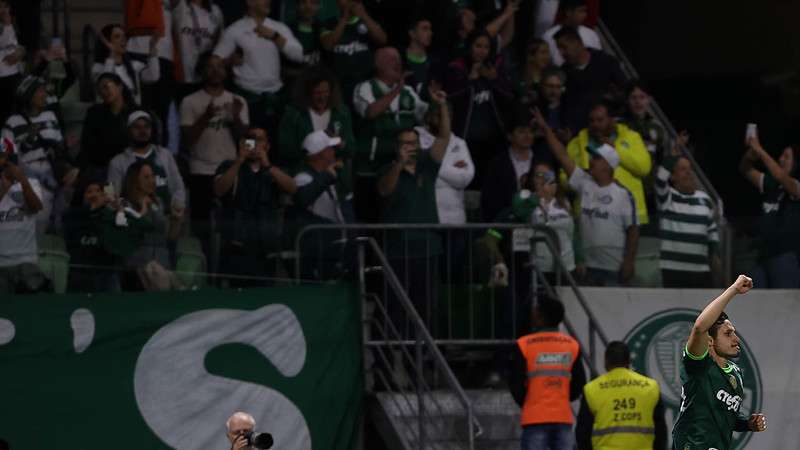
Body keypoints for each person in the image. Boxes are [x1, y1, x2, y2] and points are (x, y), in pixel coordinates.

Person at [535, 107, 639, 286]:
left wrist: (629, 262)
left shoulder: (623, 194)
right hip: (584, 266)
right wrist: (546, 130)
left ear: (608, 165)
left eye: (596, 158)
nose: (590, 161)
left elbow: (633, 230)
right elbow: (562, 155)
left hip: (613, 268)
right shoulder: (584, 182)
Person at [376, 88, 449, 327]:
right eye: (405, 144)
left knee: (427, 306)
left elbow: (444, 138)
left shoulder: (427, 164)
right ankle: (392, 353)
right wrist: (399, 163)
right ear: (397, 147)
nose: (410, 147)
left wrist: (442, 105)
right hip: (398, 249)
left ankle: (425, 357)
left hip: (427, 247)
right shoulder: (386, 169)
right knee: (395, 307)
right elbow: (385, 191)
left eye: (413, 143)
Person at [672, 275, 767, 450]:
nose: (736, 339)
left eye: (734, 333)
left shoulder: (736, 372)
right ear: (709, 340)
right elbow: (700, 326)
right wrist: (734, 289)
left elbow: (727, 416)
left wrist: (748, 424)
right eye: (728, 334)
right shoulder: (698, 365)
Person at [352, 47, 428, 221]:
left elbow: (425, 115)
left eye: (398, 58)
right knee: (370, 221)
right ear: (378, 64)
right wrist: (396, 90)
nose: (398, 62)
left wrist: (435, 102)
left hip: (401, 167)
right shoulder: (365, 88)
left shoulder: (408, 92)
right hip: (370, 170)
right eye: (391, 59)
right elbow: (370, 112)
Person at [214, 127, 296, 286]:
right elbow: (219, 189)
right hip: (236, 247)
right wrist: (239, 160)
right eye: (251, 139)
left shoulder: (273, 170)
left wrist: (268, 166)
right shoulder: (228, 165)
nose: (255, 144)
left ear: (267, 146)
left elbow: (292, 188)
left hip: (266, 248)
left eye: (260, 139)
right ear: (242, 143)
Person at [180, 53, 248, 241]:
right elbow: (187, 141)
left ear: (226, 72)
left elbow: (247, 140)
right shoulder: (189, 101)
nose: (216, 70)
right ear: (202, 71)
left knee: (230, 227)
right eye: (210, 66)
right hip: (200, 169)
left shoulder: (238, 101)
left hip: (229, 169)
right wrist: (205, 117)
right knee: (200, 227)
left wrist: (236, 118)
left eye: (220, 66)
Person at [509, 295, 586, 450]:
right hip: (563, 418)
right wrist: (563, 398)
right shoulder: (572, 345)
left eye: (536, 311)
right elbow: (579, 383)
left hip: (534, 418)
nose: (533, 314)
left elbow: (515, 384)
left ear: (541, 317)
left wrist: (529, 402)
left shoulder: (524, 345)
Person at [213, 0, 303, 132]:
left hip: (275, 101)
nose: (268, 2)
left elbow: (298, 55)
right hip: (249, 103)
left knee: (273, 145)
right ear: (249, 2)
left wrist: (275, 36)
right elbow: (214, 62)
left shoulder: (278, 28)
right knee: (251, 145)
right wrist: (229, 61)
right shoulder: (235, 30)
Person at [565, 101, 651, 226]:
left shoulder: (631, 137)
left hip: (628, 214)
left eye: (600, 120)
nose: (595, 124)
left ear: (611, 120)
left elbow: (644, 168)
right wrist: (581, 177)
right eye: (591, 120)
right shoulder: (576, 143)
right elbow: (564, 177)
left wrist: (616, 150)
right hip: (591, 214)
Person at [444, 30, 512, 187]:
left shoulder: (494, 69)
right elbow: (450, 96)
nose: (482, 51)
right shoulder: (456, 68)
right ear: (469, 47)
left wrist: (494, 79)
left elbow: (509, 97)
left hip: (493, 142)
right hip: (465, 141)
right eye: (478, 46)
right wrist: (470, 79)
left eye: (486, 47)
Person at [2, 76, 70, 232]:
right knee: (39, 216)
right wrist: (27, 138)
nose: (44, 94)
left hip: (51, 171)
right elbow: (6, 155)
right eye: (39, 91)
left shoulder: (50, 117)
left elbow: (59, 146)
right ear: (28, 95)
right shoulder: (12, 122)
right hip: (26, 174)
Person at [575, 341, 667, 450]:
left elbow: (583, 433)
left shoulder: (592, 389)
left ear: (606, 361)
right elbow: (660, 431)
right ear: (628, 361)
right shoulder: (650, 387)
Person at [289, 130, 352, 279]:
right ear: (320, 154)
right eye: (329, 149)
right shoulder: (303, 177)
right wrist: (327, 177)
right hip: (316, 250)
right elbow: (303, 199)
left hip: (333, 246)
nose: (333, 152)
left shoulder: (330, 176)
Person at [739, 135, 800, 289]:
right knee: (759, 302)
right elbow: (745, 169)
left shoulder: (795, 186)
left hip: (784, 256)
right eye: (781, 156)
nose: (781, 159)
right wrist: (750, 155)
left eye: (787, 157)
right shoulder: (771, 185)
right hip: (761, 255)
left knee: (784, 304)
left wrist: (759, 149)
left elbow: (780, 176)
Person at [656, 141, 718, 288]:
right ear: (673, 176)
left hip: (701, 271)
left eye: (690, 169)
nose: (689, 172)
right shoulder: (667, 198)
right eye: (683, 169)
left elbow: (713, 239)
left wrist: (716, 268)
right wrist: (673, 155)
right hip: (672, 270)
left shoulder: (705, 199)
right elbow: (660, 178)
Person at [116, 160, 182, 290]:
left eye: (153, 176)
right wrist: (143, 208)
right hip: (137, 269)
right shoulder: (124, 205)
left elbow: (170, 238)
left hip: (162, 266)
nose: (152, 180)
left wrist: (176, 221)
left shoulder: (159, 202)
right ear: (134, 180)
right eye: (146, 177)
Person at [480, 111, 555, 223]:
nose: (527, 136)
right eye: (521, 132)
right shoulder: (497, 164)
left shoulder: (543, 160)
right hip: (505, 225)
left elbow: (552, 187)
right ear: (510, 136)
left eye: (530, 132)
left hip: (540, 221)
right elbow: (489, 199)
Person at [279, 67, 356, 174]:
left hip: (337, 177)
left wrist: (339, 142)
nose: (322, 97)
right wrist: (312, 151)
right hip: (305, 174)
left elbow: (351, 148)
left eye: (326, 92)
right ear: (307, 93)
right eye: (317, 93)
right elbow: (286, 150)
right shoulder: (294, 114)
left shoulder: (341, 112)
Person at [108, 110, 187, 214]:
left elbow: (178, 185)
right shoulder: (117, 162)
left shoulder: (165, 154)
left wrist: (178, 204)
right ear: (128, 131)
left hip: (168, 217)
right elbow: (109, 193)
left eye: (146, 127)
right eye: (137, 127)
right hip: (135, 221)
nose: (143, 131)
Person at [555, 26, 625, 130]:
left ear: (577, 43)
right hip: (579, 134)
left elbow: (624, 92)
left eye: (564, 47)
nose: (561, 53)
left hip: (608, 130)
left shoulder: (606, 62)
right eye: (558, 49)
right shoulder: (563, 73)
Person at [415, 102, 474, 225]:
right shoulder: (415, 139)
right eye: (439, 115)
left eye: (448, 116)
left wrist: (432, 166)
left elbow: (464, 179)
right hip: (427, 219)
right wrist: (451, 168)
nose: (444, 119)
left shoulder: (459, 143)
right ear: (428, 117)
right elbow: (418, 176)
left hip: (456, 220)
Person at [320, 0, 388, 102]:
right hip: (339, 85)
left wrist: (364, 16)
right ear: (338, 2)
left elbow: (382, 39)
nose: (349, 3)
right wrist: (344, 19)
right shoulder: (329, 23)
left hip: (366, 83)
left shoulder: (367, 21)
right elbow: (328, 44)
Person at [62, 176, 120, 293]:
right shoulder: (72, 215)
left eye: (98, 191)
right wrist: (93, 211)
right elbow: (72, 239)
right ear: (81, 195)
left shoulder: (110, 216)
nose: (94, 195)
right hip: (80, 274)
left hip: (107, 274)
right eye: (89, 191)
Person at [78, 73, 138, 178]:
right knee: (108, 190)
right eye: (100, 89)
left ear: (120, 87)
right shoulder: (95, 113)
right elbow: (87, 144)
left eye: (106, 86)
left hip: (131, 167)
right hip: (104, 168)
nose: (103, 92)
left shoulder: (136, 113)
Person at [0, 156, 45, 294]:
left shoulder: (31, 183)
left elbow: (35, 207)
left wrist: (22, 180)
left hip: (26, 260)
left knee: (31, 310)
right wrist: (5, 188)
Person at [92, 24, 160, 106]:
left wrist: (152, 46)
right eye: (117, 37)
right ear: (107, 42)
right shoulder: (98, 67)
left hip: (132, 113)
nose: (123, 39)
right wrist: (111, 54)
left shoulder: (133, 65)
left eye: (124, 36)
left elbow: (153, 76)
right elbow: (106, 83)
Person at [172, 0, 225, 99]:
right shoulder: (181, 5)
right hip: (182, 74)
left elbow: (220, 42)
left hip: (205, 77)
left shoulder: (215, 11)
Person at [542, 0, 601, 67]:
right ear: (568, 12)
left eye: (585, 11)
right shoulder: (548, 36)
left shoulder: (591, 34)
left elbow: (598, 60)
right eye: (580, 11)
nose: (585, 15)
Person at [623, 80, 668, 164]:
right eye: (633, 97)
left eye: (642, 97)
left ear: (649, 99)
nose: (638, 102)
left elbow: (662, 161)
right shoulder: (618, 124)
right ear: (627, 100)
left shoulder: (657, 128)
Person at [0, 0, 25, 122]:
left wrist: (20, 51)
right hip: (3, 76)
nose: (4, 10)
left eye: (6, 6)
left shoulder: (12, 21)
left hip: (12, 75)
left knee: (12, 117)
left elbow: (18, 45)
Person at [514, 38, 551, 108]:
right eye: (543, 52)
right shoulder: (517, 78)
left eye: (548, 53)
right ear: (531, 56)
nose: (547, 57)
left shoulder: (551, 76)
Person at [405, 17, 435, 96]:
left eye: (430, 29)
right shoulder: (400, 59)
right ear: (412, 33)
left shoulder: (433, 62)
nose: (430, 33)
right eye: (425, 29)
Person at [288, 0, 322, 69]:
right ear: (297, 6)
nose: (308, 6)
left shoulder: (324, 31)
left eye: (312, 2)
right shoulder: (287, 30)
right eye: (303, 2)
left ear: (318, 6)